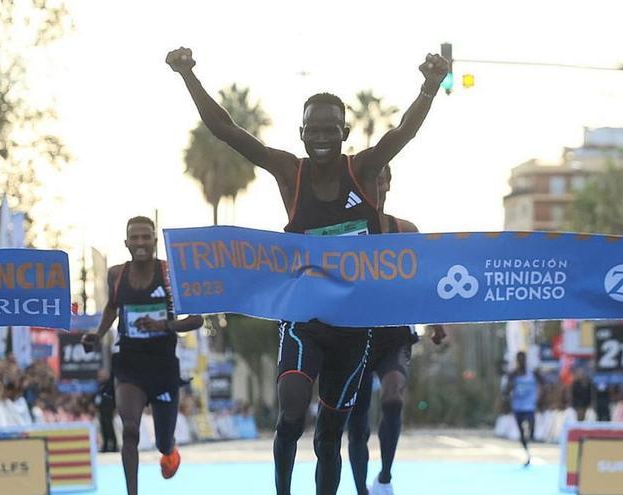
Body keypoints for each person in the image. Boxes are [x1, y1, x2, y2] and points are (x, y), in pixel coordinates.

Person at [166, 47, 448, 495]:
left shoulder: (365, 169)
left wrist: (431, 85)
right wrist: (187, 75)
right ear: (301, 133)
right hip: (303, 320)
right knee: (292, 407)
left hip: (355, 326)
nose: (322, 136)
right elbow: (226, 131)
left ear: (345, 132)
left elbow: (404, 132)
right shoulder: (288, 172)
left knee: (329, 437)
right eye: (313, 128)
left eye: (330, 129)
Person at [81, 216, 203, 495]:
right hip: (128, 364)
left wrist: (165, 325)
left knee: (162, 441)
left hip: (163, 368)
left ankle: (169, 450)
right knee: (131, 430)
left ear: (155, 241)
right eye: (134, 238)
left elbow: (196, 319)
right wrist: (98, 335)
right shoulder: (116, 275)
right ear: (125, 242)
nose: (140, 243)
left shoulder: (171, 274)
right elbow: (112, 308)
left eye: (145, 237)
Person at [347, 164, 446, 495]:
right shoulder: (345, 231)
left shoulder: (406, 230)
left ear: (388, 183)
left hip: (395, 336)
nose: (375, 186)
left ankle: (385, 477)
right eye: (367, 180)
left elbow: (424, 280)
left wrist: (436, 321)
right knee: (357, 420)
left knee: (393, 396)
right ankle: (361, 488)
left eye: (379, 178)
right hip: (353, 336)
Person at [506, 351, 543, 467]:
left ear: (526, 360)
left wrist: (540, 397)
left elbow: (544, 384)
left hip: (530, 406)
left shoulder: (532, 373)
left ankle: (530, 435)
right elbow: (507, 390)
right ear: (517, 361)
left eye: (523, 359)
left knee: (531, 425)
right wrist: (510, 387)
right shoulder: (513, 374)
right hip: (518, 406)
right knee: (521, 432)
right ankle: (527, 453)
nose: (521, 361)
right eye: (519, 359)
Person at [94, 369, 118, 453]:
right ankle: (105, 445)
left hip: (109, 410)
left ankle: (114, 446)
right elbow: (97, 397)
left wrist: (114, 409)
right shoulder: (99, 386)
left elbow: (113, 398)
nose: (99, 377)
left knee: (110, 428)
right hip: (101, 410)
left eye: (101, 375)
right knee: (103, 428)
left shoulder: (109, 385)